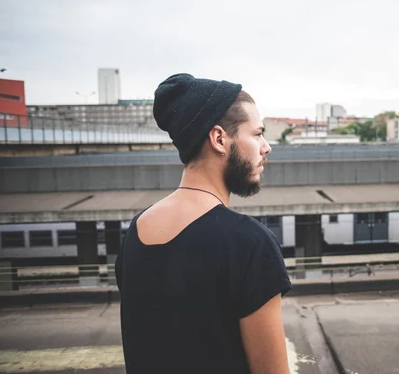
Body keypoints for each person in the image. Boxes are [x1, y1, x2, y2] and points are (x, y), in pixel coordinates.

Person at [114, 73, 292, 374]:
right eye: (258, 133)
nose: (266, 147)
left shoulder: (136, 231)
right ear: (220, 139)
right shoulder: (249, 243)